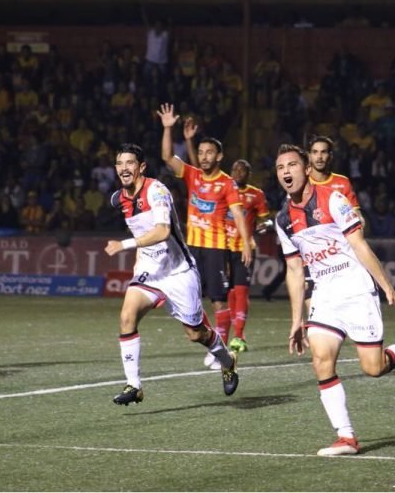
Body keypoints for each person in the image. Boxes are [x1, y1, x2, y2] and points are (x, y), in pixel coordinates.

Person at [274, 144, 395, 456]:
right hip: (324, 296)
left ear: (306, 169)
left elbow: (360, 245)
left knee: (373, 368)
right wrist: (296, 319)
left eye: (292, 165)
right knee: (321, 360)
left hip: (355, 290)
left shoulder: (334, 200)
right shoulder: (283, 219)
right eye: (280, 167)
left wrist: (387, 287)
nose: (286, 171)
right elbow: (295, 270)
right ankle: (346, 437)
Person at [104, 143, 239, 405]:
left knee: (196, 334)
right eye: (119, 163)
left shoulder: (157, 191)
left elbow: (163, 231)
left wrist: (124, 245)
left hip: (178, 272)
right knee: (126, 316)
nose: (123, 168)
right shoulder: (119, 198)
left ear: (141, 167)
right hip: (149, 271)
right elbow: (140, 230)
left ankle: (227, 360)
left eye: (129, 163)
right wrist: (137, 260)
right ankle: (134, 385)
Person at [157, 103, 252, 369]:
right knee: (191, 298)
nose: (205, 156)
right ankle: (212, 342)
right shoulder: (193, 175)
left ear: (219, 156)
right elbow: (167, 157)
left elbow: (239, 214)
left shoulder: (227, 184)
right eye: (201, 152)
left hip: (215, 248)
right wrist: (168, 129)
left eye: (210, 152)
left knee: (218, 300)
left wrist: (245, 243)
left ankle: (218, 348)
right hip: (191, 249)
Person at [305, 135, 362, 311]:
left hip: (337, 252)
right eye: (315, 152)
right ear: (309, 156)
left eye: (323, 152)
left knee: (340, 303)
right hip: (310, 251)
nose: (319, 157)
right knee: (311, 297)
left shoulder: (342, 182)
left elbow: (355, 212)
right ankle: (312, 332)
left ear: (330, 156)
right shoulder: (302, 181)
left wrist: (360, 221)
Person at [225, 159, 271, 353]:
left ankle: (238, 335)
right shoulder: (224, 190)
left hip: (244, 248)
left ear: (249, 174)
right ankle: (234, 334)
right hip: (223, 247)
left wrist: (264, 225)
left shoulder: (256, 194)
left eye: (243, 169)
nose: (239, 172)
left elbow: (266, 219)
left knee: (242, 290)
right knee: (229, 293)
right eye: (235, 168)